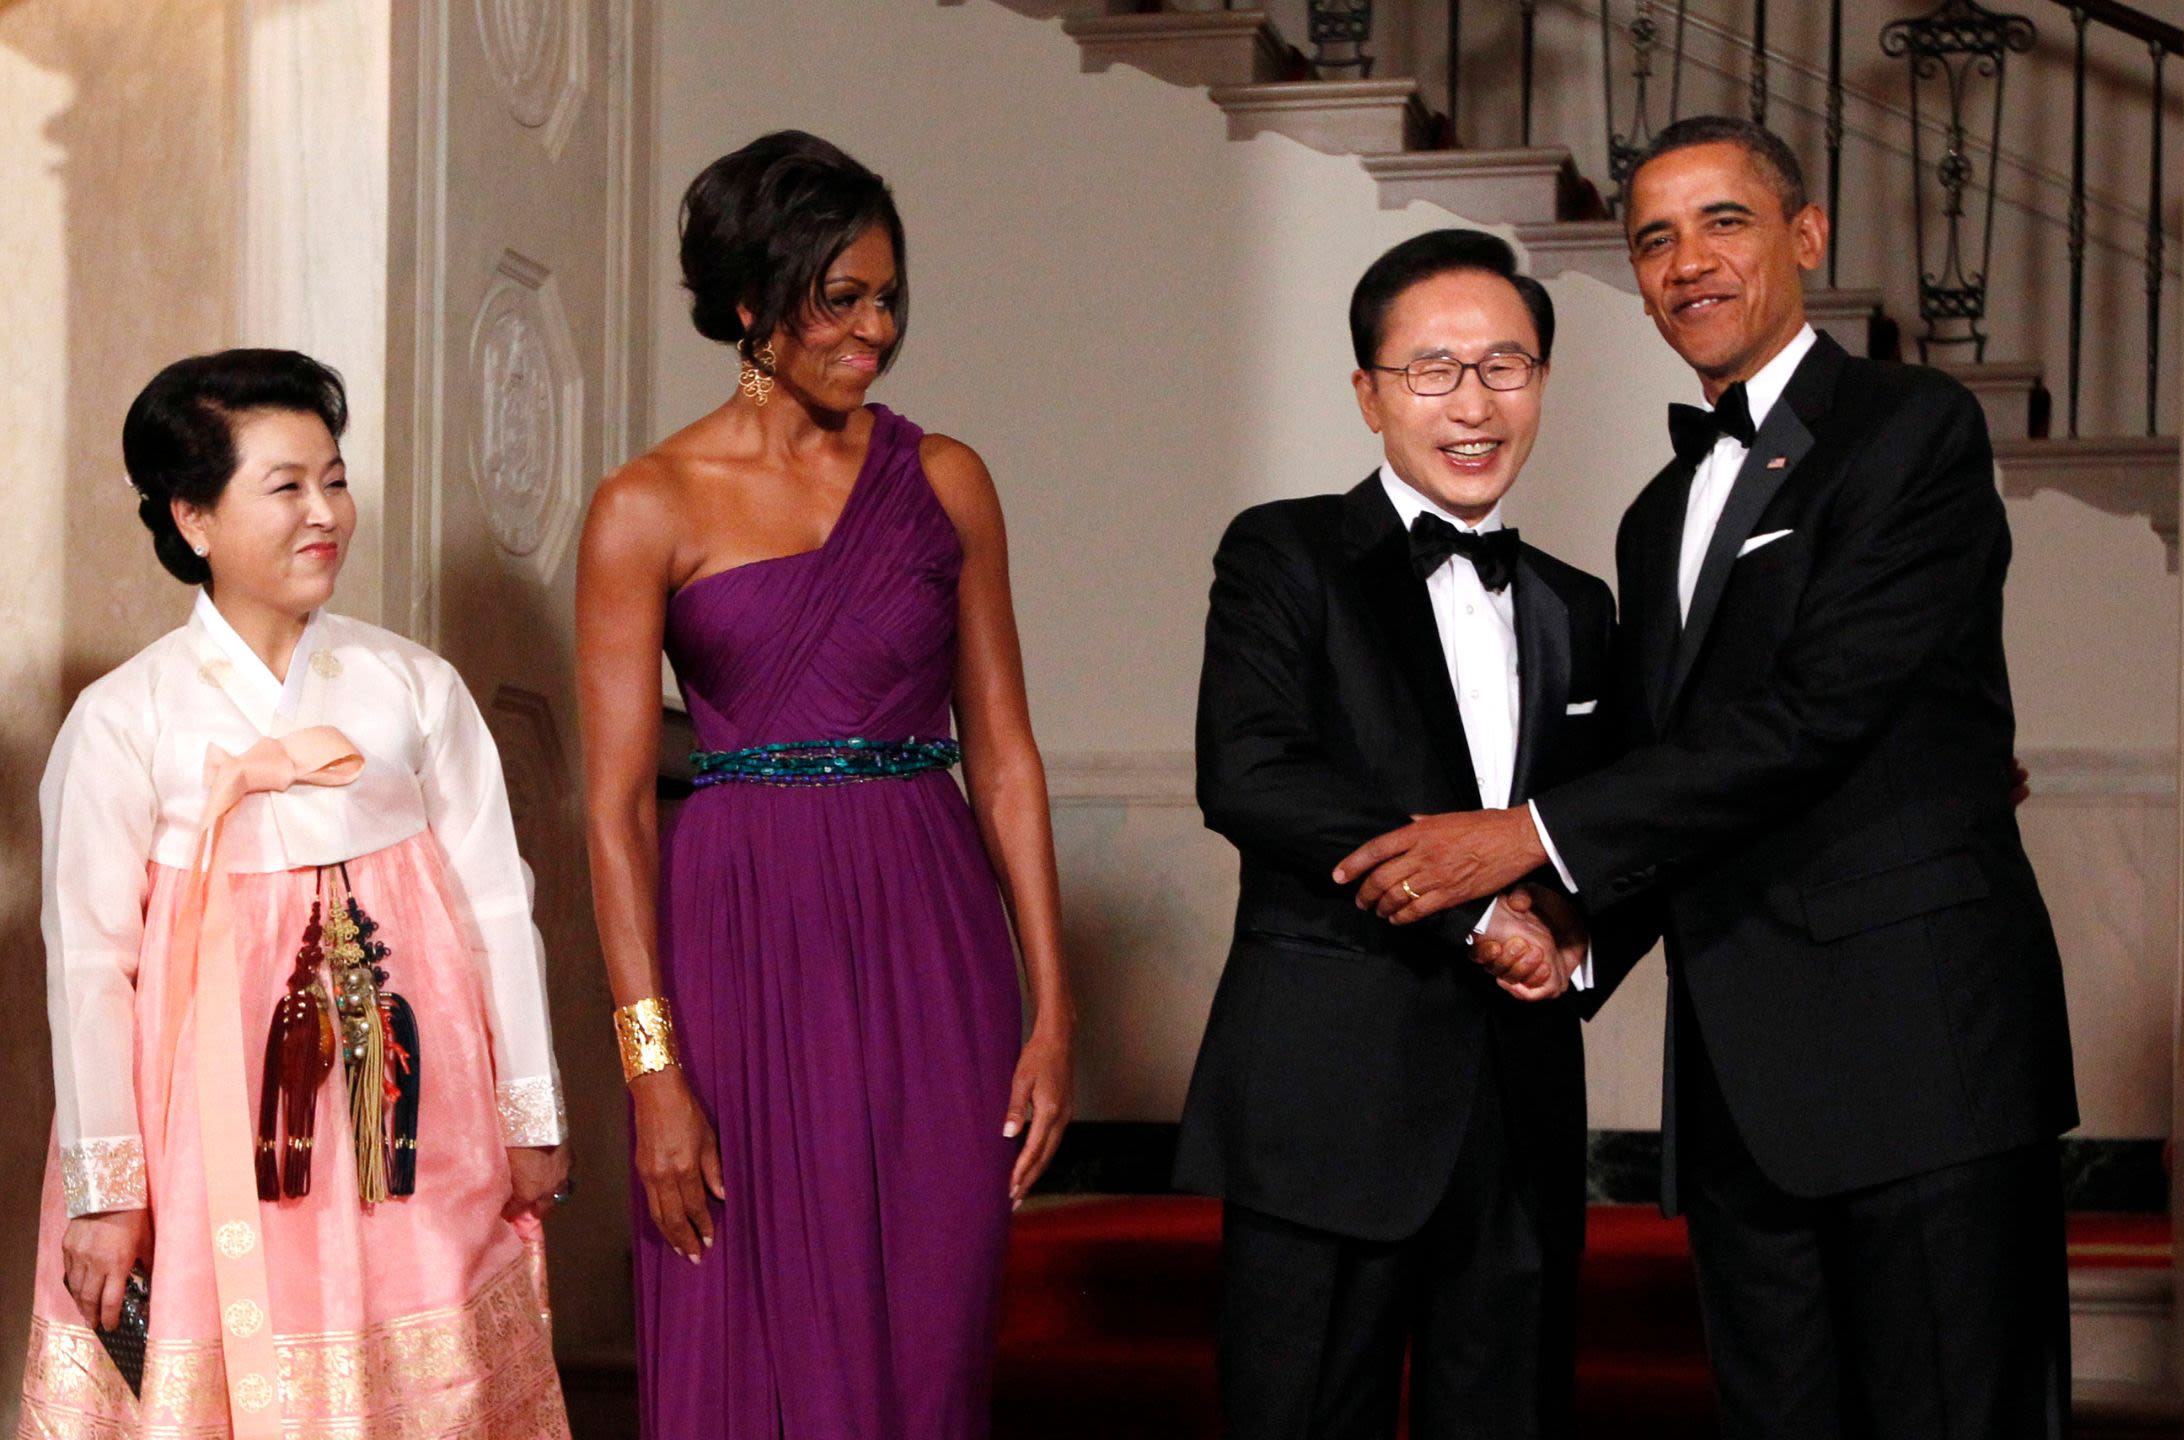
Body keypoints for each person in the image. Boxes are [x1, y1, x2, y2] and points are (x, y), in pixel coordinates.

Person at [1334, 118, 2080, 1439]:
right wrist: (1570, 937)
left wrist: (1528, 837)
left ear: (1807, 235)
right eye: (1654, 238)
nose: (1688, 262)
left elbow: (1818, 718)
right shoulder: (1656, 515)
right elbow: (1673, 773)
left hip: (1922, 1058)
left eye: (1723, 221)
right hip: (1741, 1081)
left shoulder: (1912, 430)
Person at [576, 130, 1074, 1439]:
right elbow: (620, 809)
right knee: (742, 1317)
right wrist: (650, 1070)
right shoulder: (646, 505)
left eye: (887, 297)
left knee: (929, 1332)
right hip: (743, 946)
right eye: (838, 298)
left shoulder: (946, 480)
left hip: (930, 938)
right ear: (751, 302)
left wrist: (1053, 1008)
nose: (873, 331)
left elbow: (1008, 755)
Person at [19, 348, 573, 1437]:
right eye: (285, 487)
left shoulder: (415, 689)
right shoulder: (128, 720)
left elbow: (498, 908)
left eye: (334, 479)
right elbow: (90, 963)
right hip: (205, 1134)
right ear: (193, 517)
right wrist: (107, 1190)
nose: (324, 512)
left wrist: (530, 1109)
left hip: (412, 1114)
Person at [1175, 228, 1617, 1440]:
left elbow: (1606, 819)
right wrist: (1477, 913)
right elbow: (1253, 773)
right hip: (1330, 1094)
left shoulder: (1580, 604)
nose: (1472, 404)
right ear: (1368, 393)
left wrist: (1573, 943)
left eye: (1505, 366)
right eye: (1432, 371)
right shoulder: (1283, 551)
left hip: (1520, 1104)